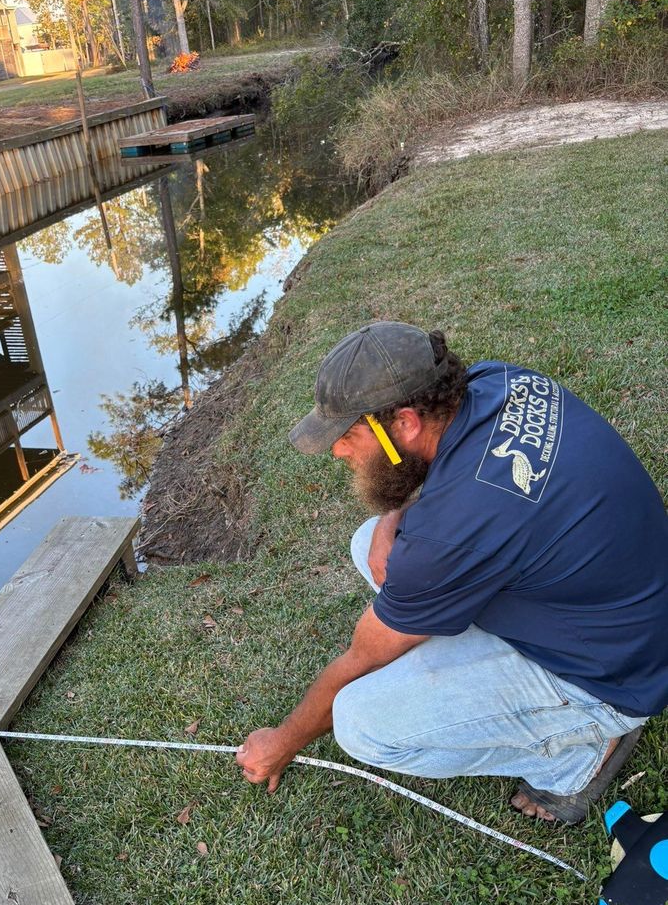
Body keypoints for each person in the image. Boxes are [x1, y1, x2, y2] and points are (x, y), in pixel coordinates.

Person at [236, 322, 667, 823]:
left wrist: (282, 740)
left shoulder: (454, 532)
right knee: (371, 541)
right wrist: (394, 513)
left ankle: (583, 749)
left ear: (405, 423)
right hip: (613, 599)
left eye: (348, 436)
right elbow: (465, 505)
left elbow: (360, 660)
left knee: (360, 722)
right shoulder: (501, 382)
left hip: (617, 672)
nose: (338, 452)